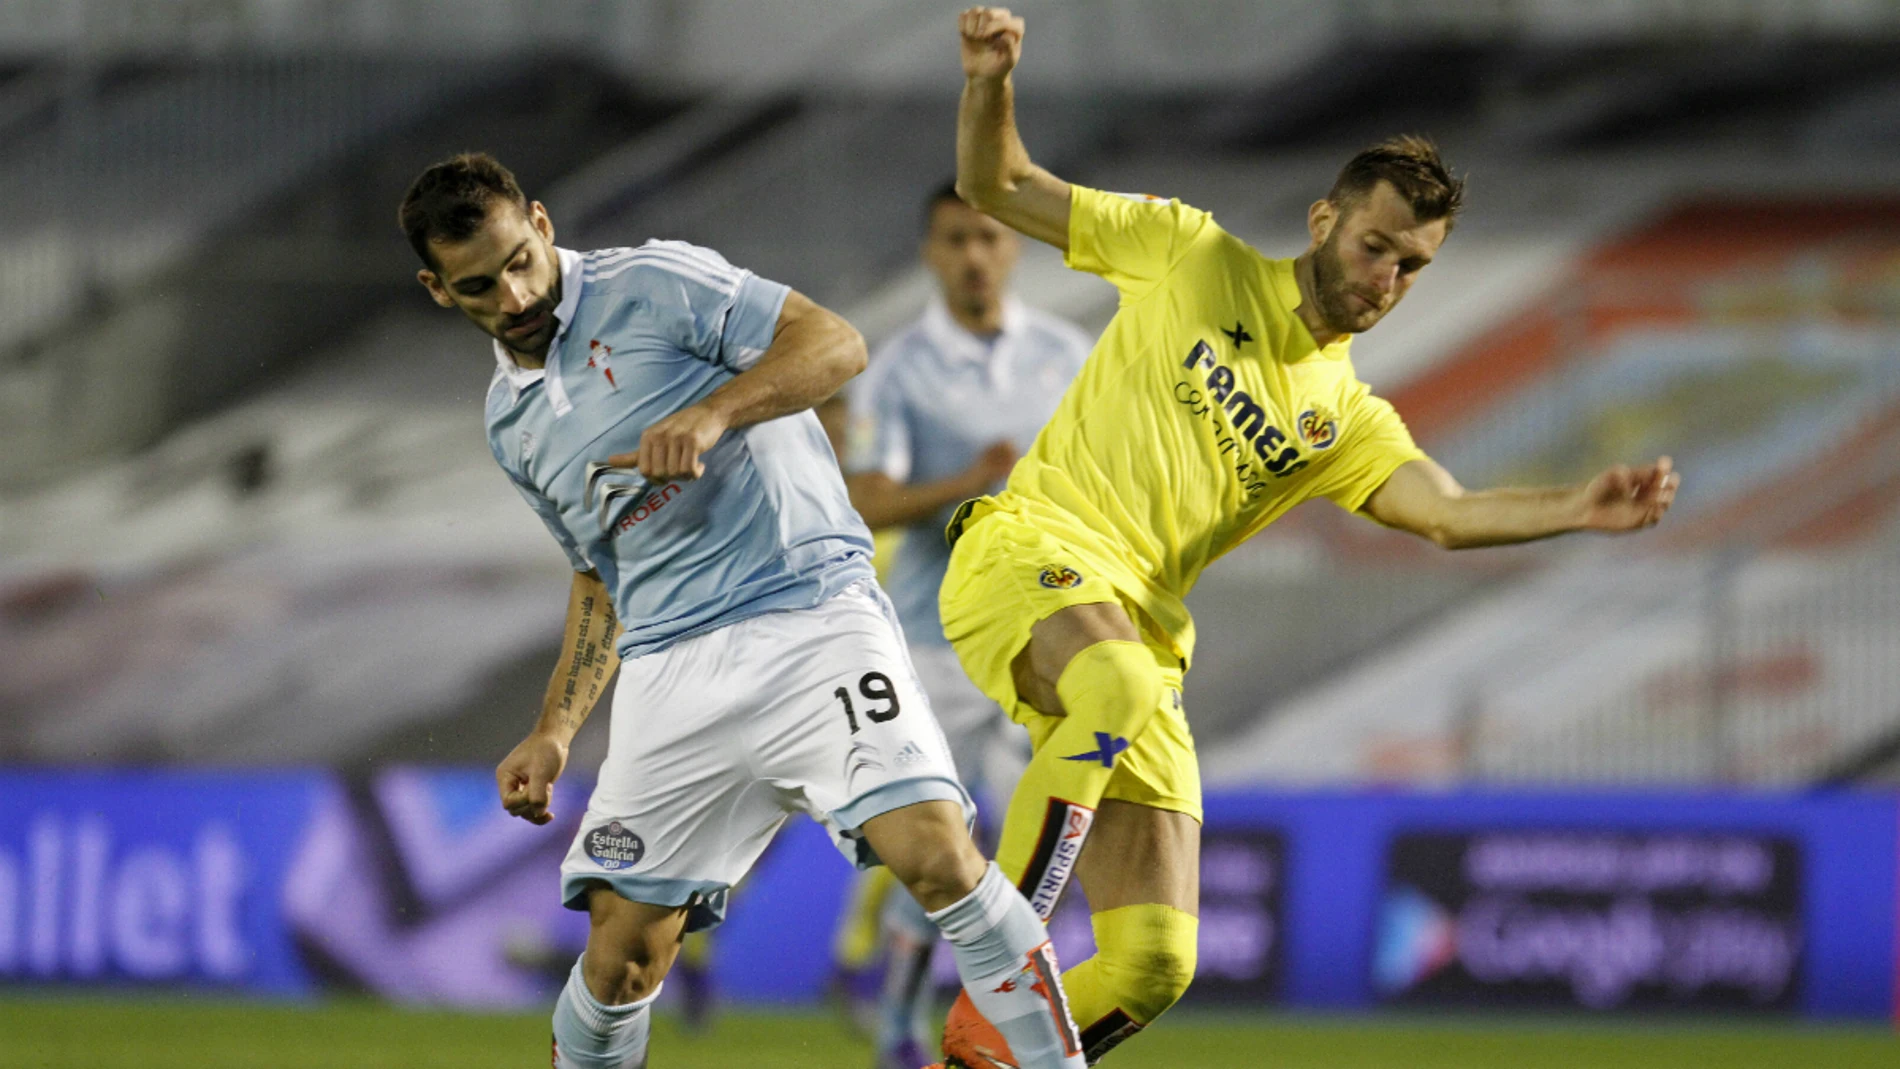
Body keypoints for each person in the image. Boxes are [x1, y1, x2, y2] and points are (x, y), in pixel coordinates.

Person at [938, 9, 1683, 1066]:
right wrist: (988, 78)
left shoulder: (1346, 419)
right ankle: (998, 958)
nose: (1386, 278)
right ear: (1324, 216)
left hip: (1139, 635)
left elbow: (1445, 512)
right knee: (1117, 687)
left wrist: (1578, 506)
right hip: (1025, 551)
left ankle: (973, 1059)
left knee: (1155, 962)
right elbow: (998, 183)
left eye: (1412, 265)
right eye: (1375, 245)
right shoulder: (1187, 252)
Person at [397, 152, 1088, 1069]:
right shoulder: (510, 424)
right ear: (439, 290)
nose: (515, 293)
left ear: (542, 221)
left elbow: (835, 343)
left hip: (811, 613)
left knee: (937, 856)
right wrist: (556, 728)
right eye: (480, 285)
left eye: (521, 258)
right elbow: (599, 575)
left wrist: (717, 413)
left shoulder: (652, 281)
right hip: (670, 668)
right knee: (620, 959)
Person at [836, 181, 1093, 1069]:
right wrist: (972, 483)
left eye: (988, 237)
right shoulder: (898, 370)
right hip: (932, 644)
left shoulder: (1070, 354)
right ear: (930, 253)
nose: (974, 255)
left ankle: (966, 1027)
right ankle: (906, 1018)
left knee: (1011, 854)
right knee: (942, 851)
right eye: (955, 240)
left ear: (1013, 246)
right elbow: (866, 496)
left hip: (1043, 644)